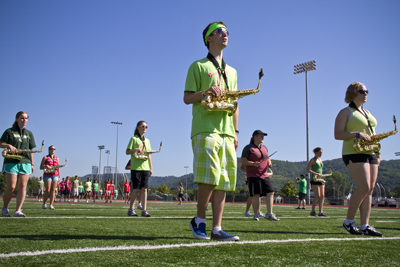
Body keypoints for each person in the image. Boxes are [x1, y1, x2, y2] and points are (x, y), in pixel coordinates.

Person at [184, 21, 239, 241]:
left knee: (223, 180)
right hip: (204, 128)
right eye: (219, 31)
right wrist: (206, 92)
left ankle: (217, 228)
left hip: (226, 131)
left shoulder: (232, 71)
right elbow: (187, 98)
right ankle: (199, 221)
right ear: (209, 38)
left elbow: (235, 105)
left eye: (226, 32)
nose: (225, 35)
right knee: (208, 177)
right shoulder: (197, 66)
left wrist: (235, 132)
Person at [334, 82, 382, 236]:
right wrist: (357, 134)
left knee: (369, 190)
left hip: (370, 152)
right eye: (362, 91)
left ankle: (365, 225)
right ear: (353, 93)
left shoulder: (367, 112)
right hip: (354, 152)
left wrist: (377, 153)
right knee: (364, 187)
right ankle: (348, 222)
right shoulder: (346, 112)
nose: (366, 93)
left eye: (367, 91)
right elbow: (338, 134)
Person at [1, 111, 37, 217]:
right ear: (17, 119)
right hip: (11, 161)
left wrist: (32, 163)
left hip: (25, 162)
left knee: (22, 186)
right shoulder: (9, 131)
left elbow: (30, 150)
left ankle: (18, 210)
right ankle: (5, 208)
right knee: (11, 187)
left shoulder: (29, 133)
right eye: (22, 118)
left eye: (26, 118)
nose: (24, 120)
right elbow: (0, 143)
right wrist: (8, 146)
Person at [241, 130, 279, 221]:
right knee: (256, 194)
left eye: (263, 136)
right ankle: (256, 214)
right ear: (255, 137)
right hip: (253, 175)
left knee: (270, 192)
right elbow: (243, 161)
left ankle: (269, 213)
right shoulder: (248, 148)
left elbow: (267, 158)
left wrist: (269, 163)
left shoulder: (264, 148)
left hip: (264, 174)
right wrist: (253, 163)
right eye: (260, 136)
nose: (263, 138)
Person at [126, 120, 153, 217]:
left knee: (144, 189)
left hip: (145, 167)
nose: (144, 128)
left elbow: (149, 155)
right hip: (136, 167)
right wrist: (136, 149)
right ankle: (131, 209)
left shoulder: (148, 141)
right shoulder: (133, 139)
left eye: (146, 127)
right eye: (142, 126)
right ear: (138, 127)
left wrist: (151, 167)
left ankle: (144, 210)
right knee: (136, 189)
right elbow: (127, 151)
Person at [306, 147, 328, 217]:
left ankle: (320, 212)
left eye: (321, 152)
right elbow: (307, 169)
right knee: (317, 195)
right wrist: (316, 173)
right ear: (316, 152)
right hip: (314, 179)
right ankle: (312, 211)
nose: (321, 154)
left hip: (320, 179)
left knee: (322, 196)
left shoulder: (320, 160)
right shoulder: (313, 160)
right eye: (320, 152)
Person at [40, 145, 60, 210]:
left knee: (53, 190)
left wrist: (59, 176)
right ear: (49, 150)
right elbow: (41, 167)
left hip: (55, 175)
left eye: (54, 149)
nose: (53, 150)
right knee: (48, 190)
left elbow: (58, 168)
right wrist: (46, 166)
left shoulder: (57, 158)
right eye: (51, 149)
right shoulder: (45, 157)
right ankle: (44, 203)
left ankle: (51, 204)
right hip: (47, 175)